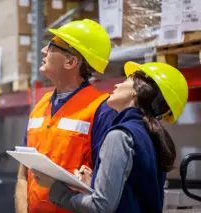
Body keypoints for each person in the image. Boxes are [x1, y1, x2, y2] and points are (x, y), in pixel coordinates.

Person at [31, 62, 189, 213]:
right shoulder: (147, 135)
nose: (117, 85)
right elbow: (132, 193)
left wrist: (55, 188)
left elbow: (100, 207)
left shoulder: (120, 135)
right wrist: (94, 184)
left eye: (126, 80)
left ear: (137, 90)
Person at [15, 19, 118, 213]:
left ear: (71, 62)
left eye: (52, 46)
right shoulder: (41, 105)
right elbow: (23, 173)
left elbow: (105, 187)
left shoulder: (102, 110)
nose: (43, 50)